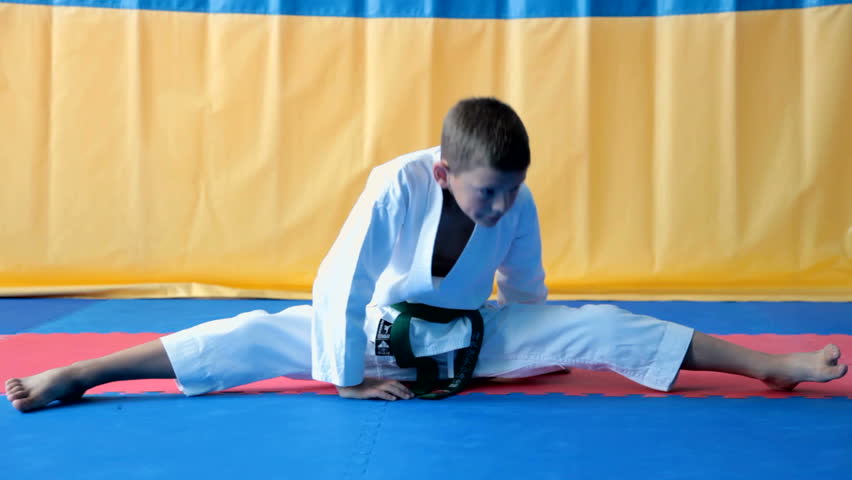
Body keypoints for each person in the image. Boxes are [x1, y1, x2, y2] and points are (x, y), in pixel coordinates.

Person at [5, 97, 847, 412]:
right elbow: (340, 284)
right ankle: (82, 372)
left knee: (603, 325)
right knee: (250, 336)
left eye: (513, 189)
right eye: (488, 193)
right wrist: (345, 376)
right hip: (371, 336)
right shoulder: (396, 187)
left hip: (474, 338)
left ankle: (764, 364)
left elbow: (528, 292)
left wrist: (540, 348)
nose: (503, 205)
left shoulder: (513, 199)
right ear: (445, 173)